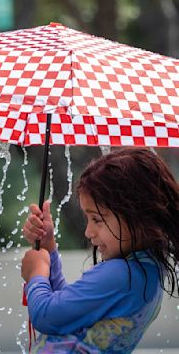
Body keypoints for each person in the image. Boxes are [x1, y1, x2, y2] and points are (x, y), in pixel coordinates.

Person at [21, 147, 179, 353]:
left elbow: (47, 317)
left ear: (138, 214)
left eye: (97, 219)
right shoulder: (147, 270)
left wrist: (36, 274)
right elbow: (68, 314)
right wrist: (49, 247)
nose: (88, 232)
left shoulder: (123, 275)